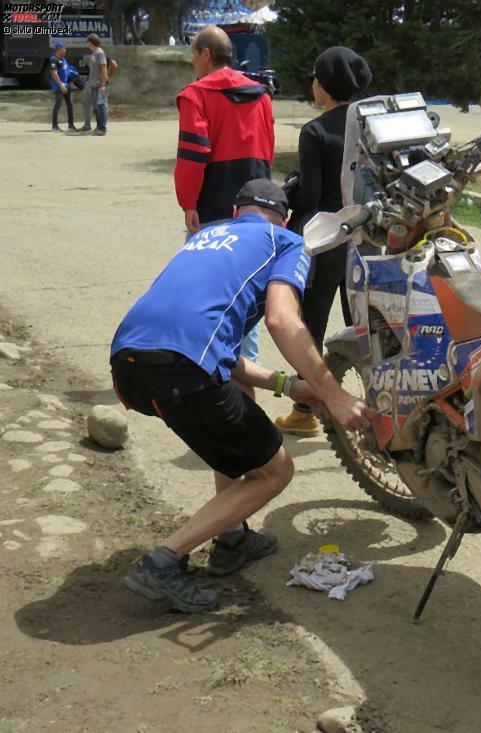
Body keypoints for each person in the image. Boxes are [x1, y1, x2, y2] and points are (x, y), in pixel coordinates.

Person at [112, 179, 375, 613]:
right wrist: (335, 394)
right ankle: (163, 562)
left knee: (234, 402)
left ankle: (231, 537)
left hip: (130, 367)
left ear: (237, 213)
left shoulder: (204, 238)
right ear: (286, 218)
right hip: (180, 373)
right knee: (274, 471)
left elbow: (219, 354)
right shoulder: (285, 241)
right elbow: (282, 321)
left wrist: (291, 386)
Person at [275, 47, 372, 436]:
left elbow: (311, 196)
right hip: (366, 238)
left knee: (310, 324)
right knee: (365, 326)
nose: (312, 85)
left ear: (326, 86)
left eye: (316, 79)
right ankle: (378, 406)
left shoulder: (315, 131)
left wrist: (289, 194)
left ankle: (305, 410)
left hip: (325, 240)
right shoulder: (367, 124)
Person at [174, 25, 275, 364]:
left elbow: (193, 154)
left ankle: (205, 367)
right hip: (256, 207)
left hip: (213, 205)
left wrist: (188, 202)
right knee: (246, 293)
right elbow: (268, 149)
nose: (193, 63)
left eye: (193, 55)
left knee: (203, 292)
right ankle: (248, 373)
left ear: (205, 54)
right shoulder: (261, 94)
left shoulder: (196, 95)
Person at [48, 42, 76, 132]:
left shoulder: (64, 59)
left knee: (70, 105)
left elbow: (67, 71)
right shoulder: (53, 60)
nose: (65, 50)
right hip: (59, 86)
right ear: (59, 49)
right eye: (64, 48)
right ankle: (54, 125)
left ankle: (71, 125)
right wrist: (61, 85)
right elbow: (54, 73)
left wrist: (71, 82)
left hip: (67, 85)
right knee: (58, 105)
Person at [84, 33, 109, 135]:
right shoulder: (94, 53)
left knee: (101, 105)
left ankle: (102, 128)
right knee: (96, 107)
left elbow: (104, 68)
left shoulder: (100, 53)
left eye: (88, 42)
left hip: (99, 84)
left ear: (91, 42)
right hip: (93, 84)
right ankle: (98, 126)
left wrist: (103, 84)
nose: (87, 45)